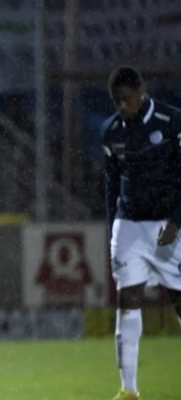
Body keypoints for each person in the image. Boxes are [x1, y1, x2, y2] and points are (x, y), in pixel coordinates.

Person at [102, 65, 181, 400]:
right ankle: (128, 390)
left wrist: (176, 221)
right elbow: (111, 184)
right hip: (130, 226)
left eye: (128, 98)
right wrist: (113, 229)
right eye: (117, 101)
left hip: (168, 224)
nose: (123, 106)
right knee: (128, 299)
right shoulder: (111, 132)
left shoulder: (171, 121)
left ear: (142, 90)